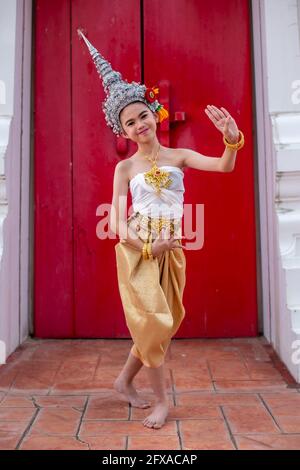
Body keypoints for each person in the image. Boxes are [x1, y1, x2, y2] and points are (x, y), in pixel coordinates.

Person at [78, 30, 244, 429]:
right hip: (140, 250)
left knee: (165, 321)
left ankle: (123, 380)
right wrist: (150, 246)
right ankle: (161, 401)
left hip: (172, 247)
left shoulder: (180, 156)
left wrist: (232, 140)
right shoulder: (125, 168)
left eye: (143, 116)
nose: (139, 125)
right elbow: (116, 222)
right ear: (122, 131)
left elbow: (224, 166)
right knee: (152, 322)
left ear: (155, 113)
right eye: (129, 122)